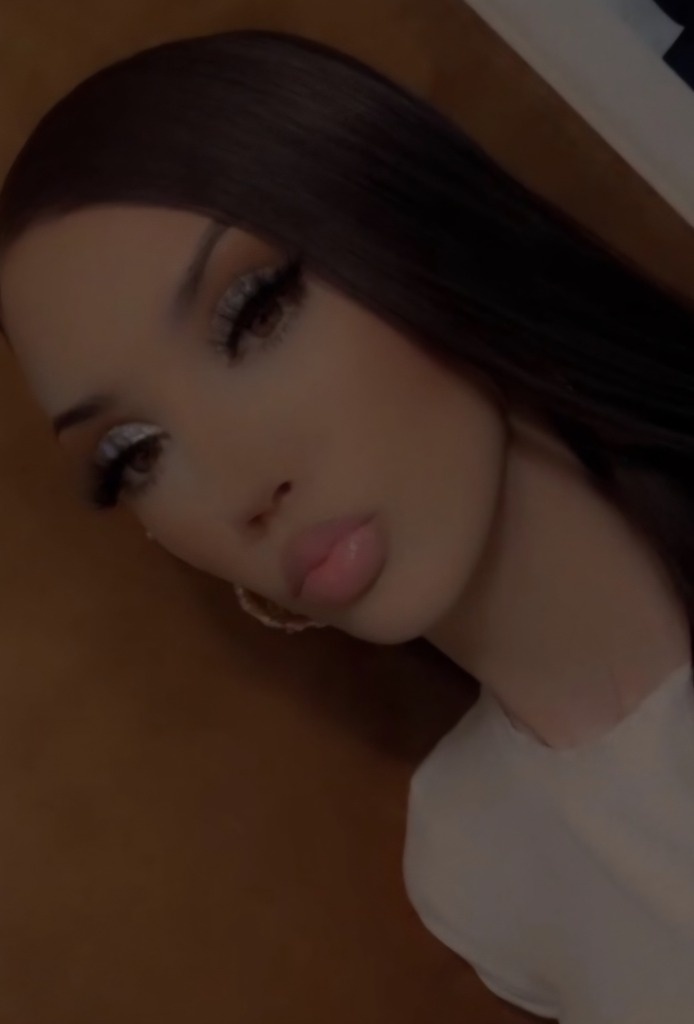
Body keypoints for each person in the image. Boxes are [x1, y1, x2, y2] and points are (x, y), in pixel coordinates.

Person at [0, 28, 692, 1023]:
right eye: (133, 454)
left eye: (253, 313)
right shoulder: (476, 867)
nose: (235, 484)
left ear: (417, 226)